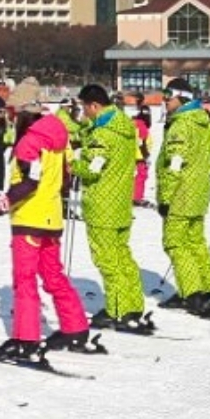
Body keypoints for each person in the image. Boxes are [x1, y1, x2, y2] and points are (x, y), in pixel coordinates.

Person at [0, 79, 90, 357]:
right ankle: (76, 328)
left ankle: (26, 338)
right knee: (53, 275)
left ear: (22, 111)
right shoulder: (58, 136)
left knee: (25, 280)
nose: (10, 117)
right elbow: (65, 179)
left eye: (12, 111)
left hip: (29, 219)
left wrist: (2, 202)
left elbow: (30, 181)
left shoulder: (29, 141)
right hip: (52, 218)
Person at [70, 84, 147, 332]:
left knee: (107, 260)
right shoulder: (124, 126)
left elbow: (93, 169)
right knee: (123, 256)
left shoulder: (102, 135)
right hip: (121, 202)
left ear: (94, 105)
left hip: (102, 204)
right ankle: (133, 303)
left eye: (84, 107)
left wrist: (72, 166)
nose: (84, 112)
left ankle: (117, 309)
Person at [154, 79, 210, 317]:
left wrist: (165, 198)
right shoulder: (204, 123)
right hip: (198, 192)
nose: (164, 101)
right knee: (195, 242)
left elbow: (175, 164)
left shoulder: (181, 125)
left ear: (182, 98)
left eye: (168, 97)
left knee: (175, 243)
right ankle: (208, 290)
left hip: (181, 193)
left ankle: (191, 293)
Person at [132, 104, 152, 207]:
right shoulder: (142, 126)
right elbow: (141, 142)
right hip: (139, 156)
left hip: (132, 154)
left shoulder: (134, 123)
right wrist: (146, 156)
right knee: (141, 176)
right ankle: (137, 197)